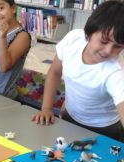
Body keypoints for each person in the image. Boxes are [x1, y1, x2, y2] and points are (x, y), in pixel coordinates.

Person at [32, 0, 124, 142]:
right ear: (89, 34)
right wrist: (46, 108)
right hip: (70, 118)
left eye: (117, 46)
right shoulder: (73, 39)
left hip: (105, 130)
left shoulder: (115, 72)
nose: (108, 51)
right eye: (104, 41)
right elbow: (55, 72)